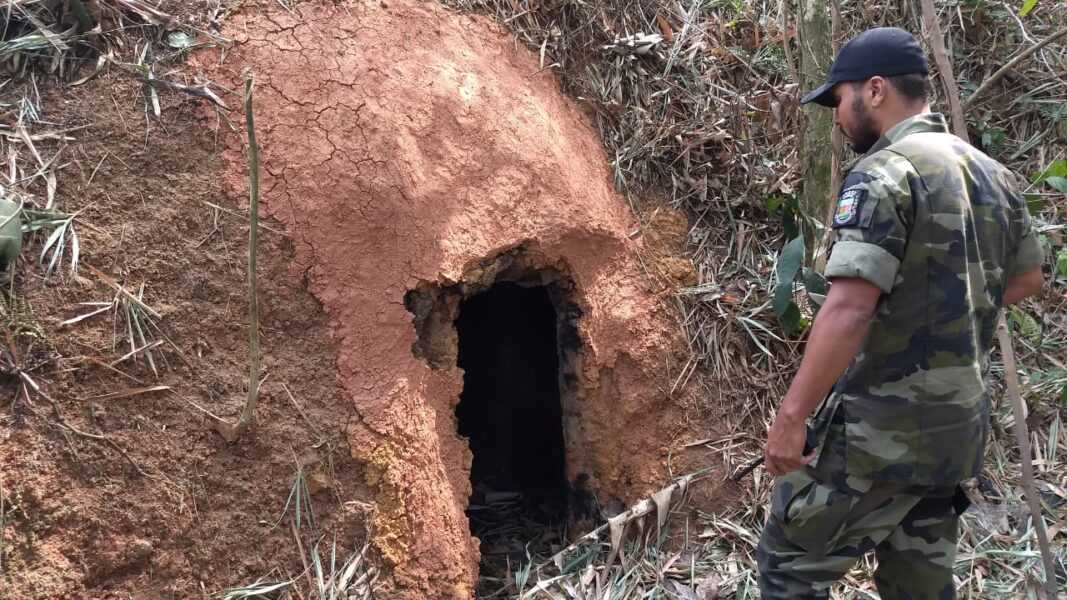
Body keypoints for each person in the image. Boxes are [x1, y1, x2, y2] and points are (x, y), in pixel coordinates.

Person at [757, 27, 1045, 599]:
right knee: (920, 584)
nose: (838, 118)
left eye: (839, 101)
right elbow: (1028, 279)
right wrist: (940, 314)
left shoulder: (886, 173)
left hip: (876, 435)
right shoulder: (994, 175)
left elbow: (849, 308)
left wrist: (791, 418)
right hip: (952, 434)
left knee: (789, 566)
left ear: (876, 89)